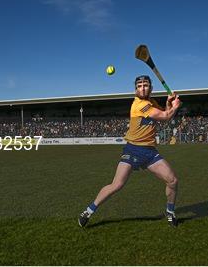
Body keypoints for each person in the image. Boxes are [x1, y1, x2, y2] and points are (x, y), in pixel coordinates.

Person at [78, 75, 182, 227]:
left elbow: (164, 113)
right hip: (133, 149)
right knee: (116, 184)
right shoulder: (139, 105)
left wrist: (168, 103)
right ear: (135, 90)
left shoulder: (151, 102)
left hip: (150, 152)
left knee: (172, 181)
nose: (142, 88)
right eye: (139, 85)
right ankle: (88, 211)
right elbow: (166, 116)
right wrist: (176, 106)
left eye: (145, 85)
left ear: (151, 88)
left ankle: (170, 212)